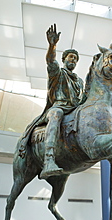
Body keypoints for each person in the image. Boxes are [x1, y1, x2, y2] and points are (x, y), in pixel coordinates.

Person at [18, 24, 85, 179]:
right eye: (71, 57)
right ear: (64, 59)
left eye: (75, 59)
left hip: (75, 110)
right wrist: (52, 45)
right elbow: (50, 60)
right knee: (55, 114)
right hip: (59, 107)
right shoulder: (57, 72)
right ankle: (49, 159)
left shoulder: (80, 81)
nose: (73, 61)